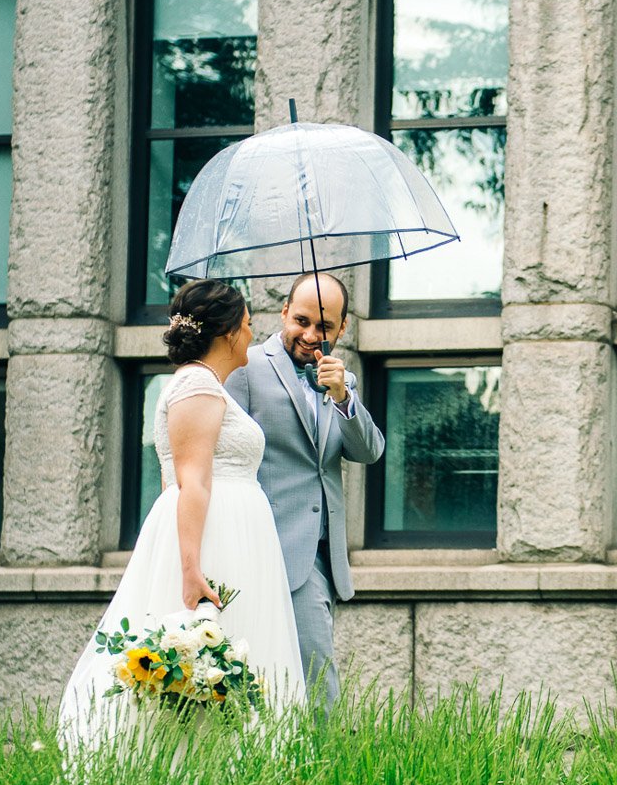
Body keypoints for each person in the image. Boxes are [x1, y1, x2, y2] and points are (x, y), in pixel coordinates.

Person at [58, 279, 305, 751]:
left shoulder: (208, 386)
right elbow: (189, 481)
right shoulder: (195, 383)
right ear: (229, 332)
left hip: (232, 535)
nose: (253, 334)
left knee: (228, 658)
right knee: (210, 654)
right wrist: (190, 570)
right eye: (249, 325)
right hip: (213, 539)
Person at [225, 271, 384, 709]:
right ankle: (311, 770)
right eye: (301, 321)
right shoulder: (247, 369)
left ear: (342, 328)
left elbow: (369, 452)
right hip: (264, 547)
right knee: (300, 680)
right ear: (283, 312)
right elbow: (225, 454)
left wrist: (343, 398)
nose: (311, 335)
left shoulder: (341, 381)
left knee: (306, 677)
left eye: (325, 327)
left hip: (321, 554)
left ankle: (310, 771)